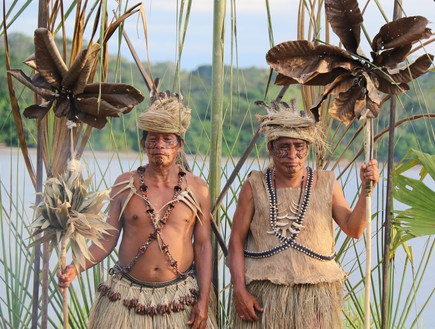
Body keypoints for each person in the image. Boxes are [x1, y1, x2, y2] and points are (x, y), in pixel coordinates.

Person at [58, 91, 217, 329]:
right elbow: (108, 238)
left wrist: (203, 301)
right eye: (152, 139)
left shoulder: (197, 189)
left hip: (179, 298)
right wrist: (76, 267)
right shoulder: (125, 185)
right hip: (126, 297)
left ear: (180, 145)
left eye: (167, 140)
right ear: (143, 144)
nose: (159, 146)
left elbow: (203, 246)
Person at [227, 100, 379, 329]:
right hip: (264, 299)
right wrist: (239, 290)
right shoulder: (254, 186)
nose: (292, 154)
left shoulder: (327, 183)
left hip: (316, 298)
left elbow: (354, 229)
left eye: (299, 146)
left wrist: (367, 188)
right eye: (284, 146)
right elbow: (236, 242)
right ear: (270, 148)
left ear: (307, 148)